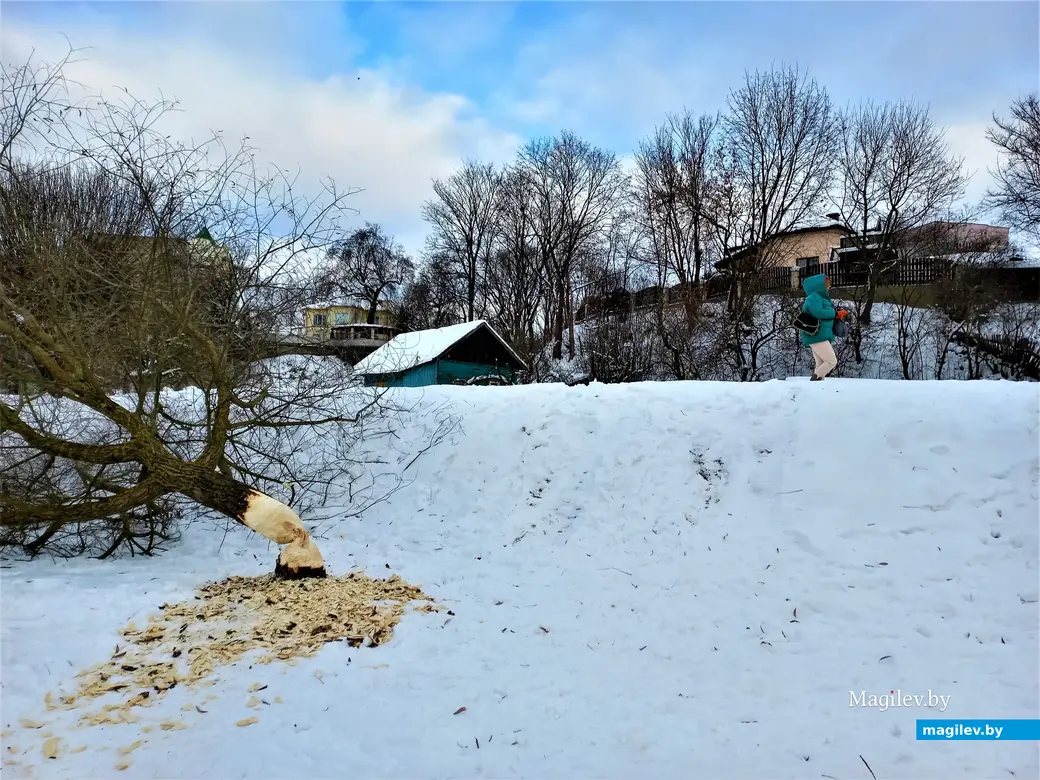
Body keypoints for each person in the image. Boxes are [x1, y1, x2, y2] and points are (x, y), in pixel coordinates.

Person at [799, 274, 847, 381]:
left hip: (819, 334)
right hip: (816, 334)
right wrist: (835, 313)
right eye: (826, 282)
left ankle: (817, 387)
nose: (829, 284)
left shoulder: (819, 297)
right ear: (819, 285)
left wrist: (836, 314)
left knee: (820, 363)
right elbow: (818, 312)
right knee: (831, 361)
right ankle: (815, 377)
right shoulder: (814, 297)